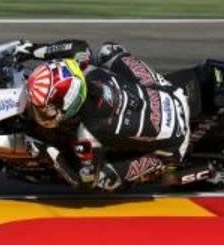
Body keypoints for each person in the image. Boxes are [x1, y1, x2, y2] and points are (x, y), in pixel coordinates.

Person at [13, 39, 192, 191]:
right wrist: (33, 50)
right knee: (109, 50)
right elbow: (77, 47)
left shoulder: (88, 132)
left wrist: (47, 151)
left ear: (68, 106)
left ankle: (162, 163)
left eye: (44, 109)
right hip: (170, 92)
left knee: (103, 181)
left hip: (174, 144)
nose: (38, 112)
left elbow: (83, 180)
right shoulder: (87, 70)